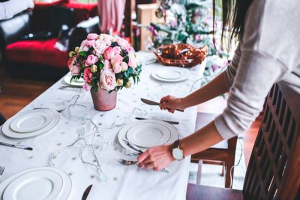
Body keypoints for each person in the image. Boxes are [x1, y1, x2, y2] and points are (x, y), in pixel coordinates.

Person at [137, 0, 300, 171]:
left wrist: (173, 152)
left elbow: (237, 117)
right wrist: (182, 103)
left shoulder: (270, 9)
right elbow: (232, 74)